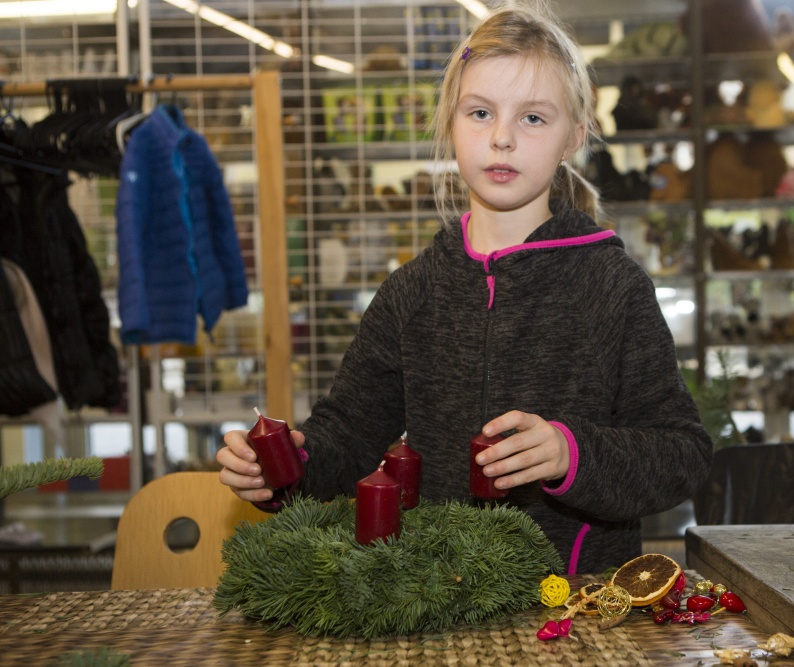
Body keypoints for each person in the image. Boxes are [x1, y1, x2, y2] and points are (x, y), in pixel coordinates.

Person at [218, 3, 713, 574]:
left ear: (573, 136)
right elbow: (347, 438)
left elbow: (682, 453)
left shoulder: (614, 286)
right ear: (451, 124)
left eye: (533, 118)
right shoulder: (411, 292)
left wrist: (570, 453)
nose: (501, 138)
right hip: (440, 604)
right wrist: (282, 469)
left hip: (581, 609)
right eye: (480, 113)